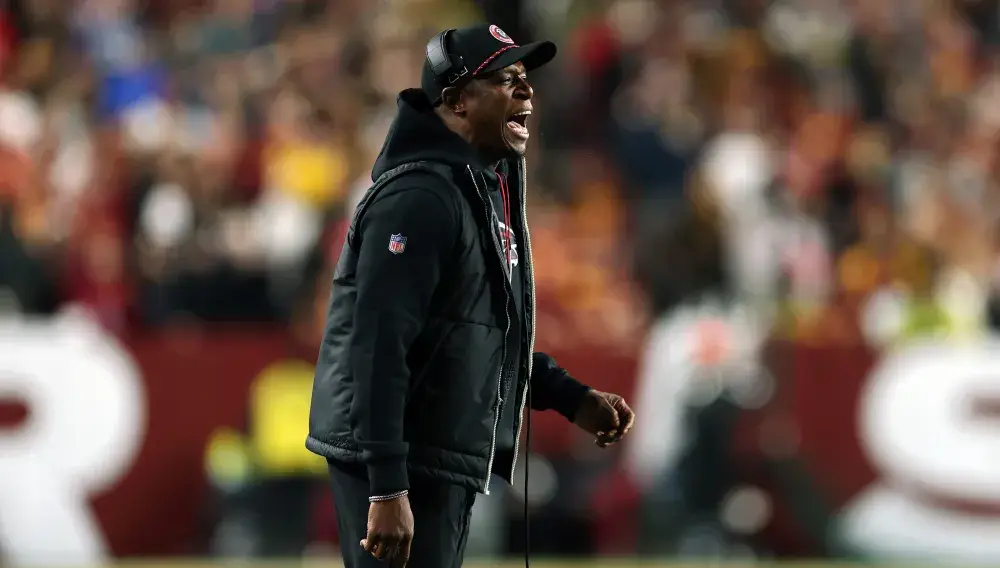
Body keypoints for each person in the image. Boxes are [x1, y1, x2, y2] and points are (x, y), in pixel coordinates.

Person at [306, 23, 636, 568]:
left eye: (526, 80)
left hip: (430, 453)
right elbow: (379, 344)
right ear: (457, 101)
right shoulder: (418, 199)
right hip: (401, 458)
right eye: (506, 80)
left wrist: (569, 397)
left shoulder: (472, 193)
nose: (528, 92)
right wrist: (386, 487)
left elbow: (476, 334)